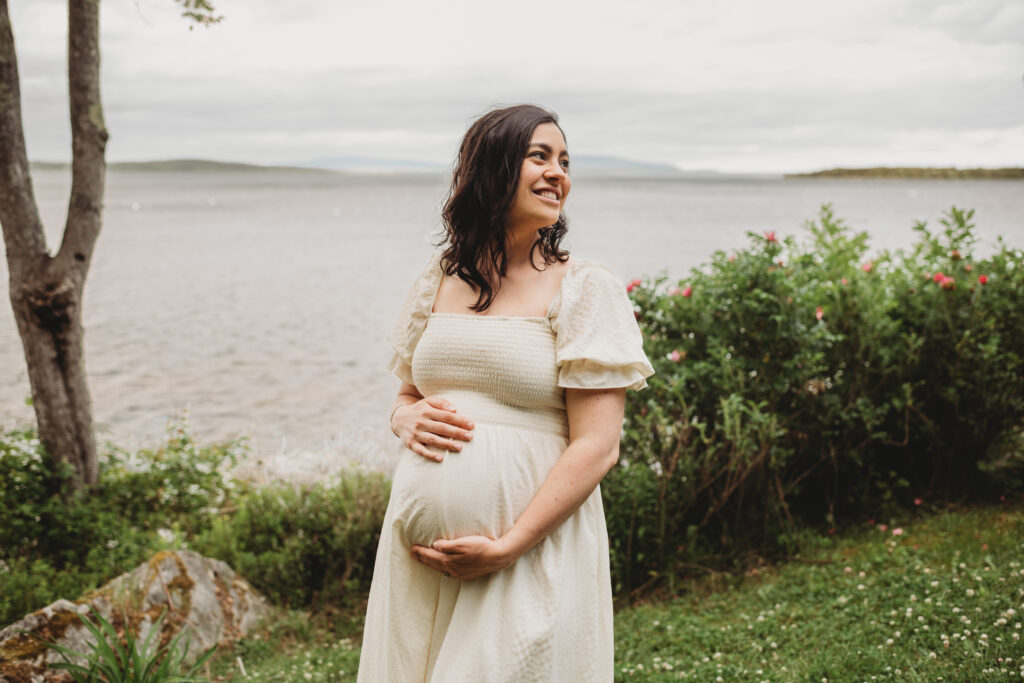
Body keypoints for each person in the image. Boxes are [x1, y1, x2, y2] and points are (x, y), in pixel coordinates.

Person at [357, 104, 654, 682]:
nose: (557, 173)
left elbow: (598, 446)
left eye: (564, 160)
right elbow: (407, 395)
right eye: (538, 156)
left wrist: (509, 545)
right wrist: (403, 419)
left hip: (527, 550)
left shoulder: (584, 287)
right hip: (418, 562)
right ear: (491, 168)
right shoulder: (439, 278)